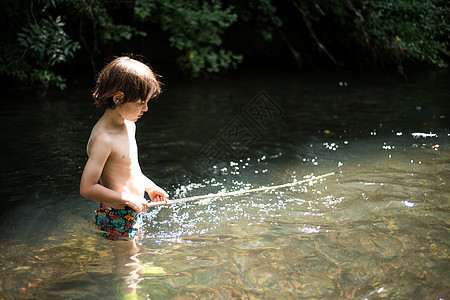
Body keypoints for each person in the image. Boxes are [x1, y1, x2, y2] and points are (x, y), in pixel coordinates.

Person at [79, 56, 169, 298]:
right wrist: (128, 199)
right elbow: (87, 188)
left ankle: (134, 267)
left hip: (129, 208)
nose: (146, 109)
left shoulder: (129, 125)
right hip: (117, 213)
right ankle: (128, 290)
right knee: (125, 264)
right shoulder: (104, 138)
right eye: (141, 103)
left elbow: (131, 168)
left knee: (131, 251)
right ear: (118, 98)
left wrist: (150, 187)